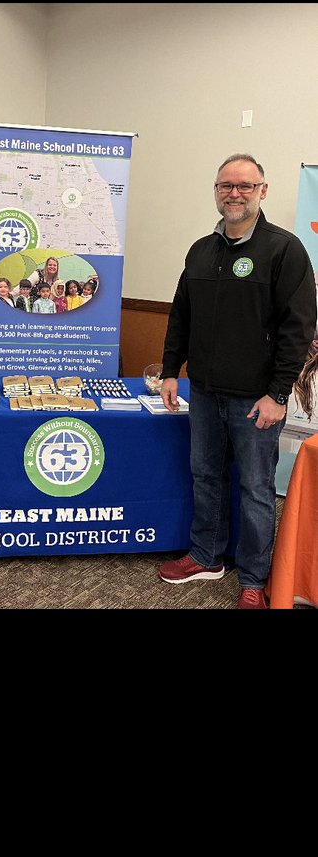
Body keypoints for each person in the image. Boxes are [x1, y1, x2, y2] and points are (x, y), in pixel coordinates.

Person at [157, 153, 317, 609]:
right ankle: (206, 556)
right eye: (226, 185)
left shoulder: (284, 249)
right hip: (205, 392)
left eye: (245, 186)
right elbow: (181, 316)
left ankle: (253, 579)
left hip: (256, 400)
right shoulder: (200, 251)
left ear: (262, 191)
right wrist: (170, 370)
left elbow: (298, 329)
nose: (235, 193)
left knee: (256, 490)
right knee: (205, 476)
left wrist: (278, 394)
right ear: (216, 191)